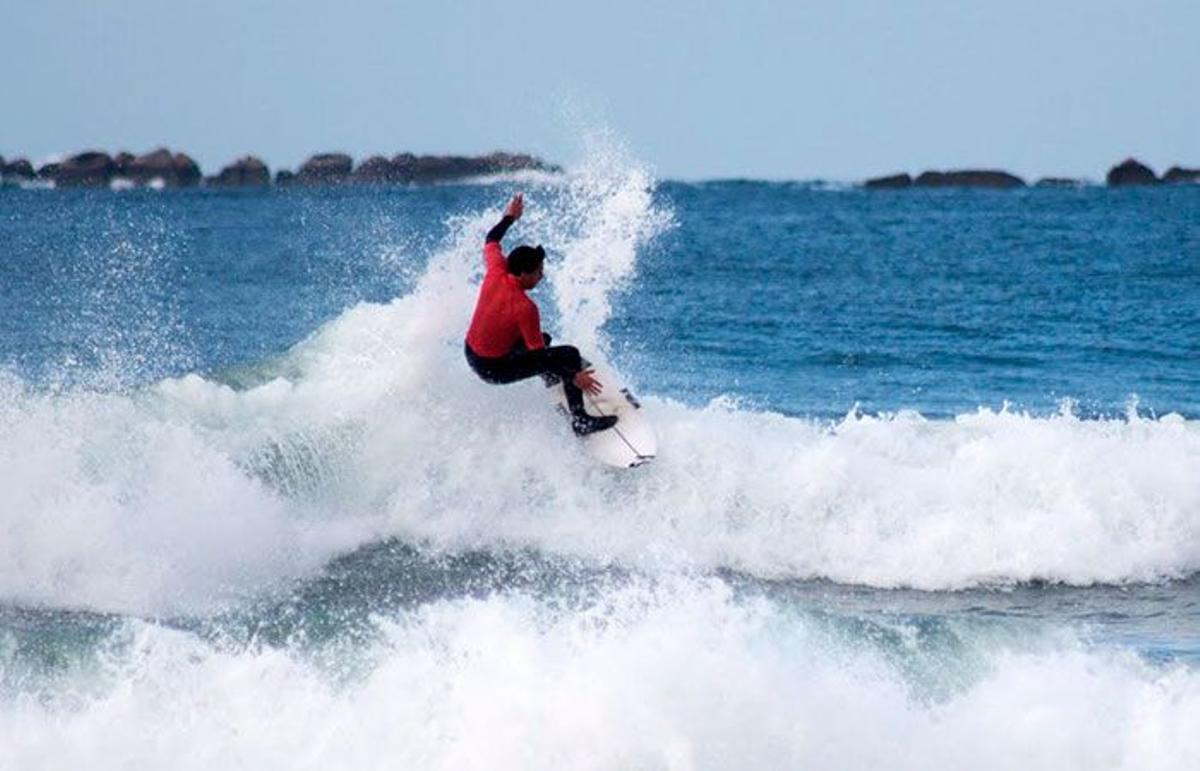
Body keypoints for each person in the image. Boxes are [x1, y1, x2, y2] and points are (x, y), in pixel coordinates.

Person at [464, 193, 618, 436]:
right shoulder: (525, 307)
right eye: (538, 272)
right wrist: (574, 375)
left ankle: (552, 379)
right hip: (493, 370)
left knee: (542, 339)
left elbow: (491, 238)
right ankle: (581, 422)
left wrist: (509, 218)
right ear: (524, 273)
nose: (541, 277)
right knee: (568, 354)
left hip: (471, 353)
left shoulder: (496, 269)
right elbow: (538, 358)